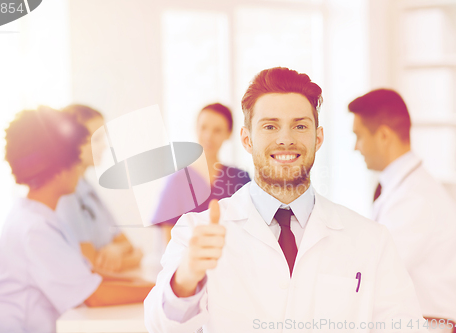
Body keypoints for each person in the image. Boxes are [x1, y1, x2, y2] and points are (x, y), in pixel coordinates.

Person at [144, 68, 428, 333]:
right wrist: (185, 280)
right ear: (246, 139)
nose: (285, 139)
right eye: (269, 126)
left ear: (318, 139)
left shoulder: (372, 240)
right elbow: (160, 325)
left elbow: (403, 325)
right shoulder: (194, 231)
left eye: (300, 126)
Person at [0, 107, 154, 333]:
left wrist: (157, 285)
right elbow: (96, 297)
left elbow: (89, 274)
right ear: (60, 168)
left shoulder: (36, 215)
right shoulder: (36, 229)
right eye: (75, 159)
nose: (78, 167)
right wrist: (166, 290)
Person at [349, 89, 456, 323]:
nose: (356, 147)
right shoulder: (404, 188)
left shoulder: (415, 199)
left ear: (383, 136)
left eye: (359, 136)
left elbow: (375, 274)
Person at [56, 104, 142, 273]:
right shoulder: (65, 195)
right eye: (96, 139)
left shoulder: (87, 189)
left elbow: (129, 245)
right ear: (72, 142)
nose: (104, 146)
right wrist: (131, 258)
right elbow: (91, 265)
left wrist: (116, 250)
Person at [153, 103, 250, 244]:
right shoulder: (177, 181)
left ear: (228, 134)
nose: (208, 136)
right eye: (203, 127)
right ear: (196, 128)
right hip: (189, 262)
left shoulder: (240, 179)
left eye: (217, 130)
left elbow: (250, 229)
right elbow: (169, 242)